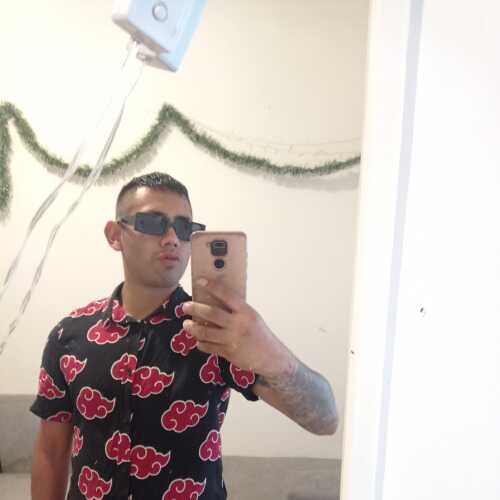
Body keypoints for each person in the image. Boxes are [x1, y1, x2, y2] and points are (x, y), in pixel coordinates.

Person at [30, 172, 338, 500]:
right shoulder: (69, 335)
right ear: (115, 235)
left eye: (184, 227)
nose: (172, 238)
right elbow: (51, 451)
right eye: (152, 223)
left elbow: (324, 420)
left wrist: (274, 357)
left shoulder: (218, 332)